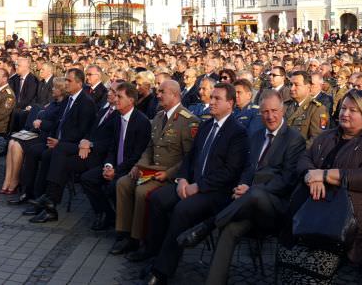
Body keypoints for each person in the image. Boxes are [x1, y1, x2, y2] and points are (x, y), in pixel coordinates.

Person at [137, 82, 249, 285]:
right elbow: (190, 157)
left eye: (217, 99)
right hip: (190, 184)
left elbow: (230, 172)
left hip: (215, 192)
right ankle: (155, 255)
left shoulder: (237, 132)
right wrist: (182, 180)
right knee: (156, 199)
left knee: (182, 210)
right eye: (212, 97)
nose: (211, 101)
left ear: (230, 103)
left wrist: (198, 186)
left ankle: (162, 271)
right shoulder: (206, 125)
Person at [190, 90, 306, 285]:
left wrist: (251, 188)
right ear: (259, 113)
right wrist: (243, 184)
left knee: (256, 193)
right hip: (247, 205)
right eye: (265, 112)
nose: (270, 116)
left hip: (274, 208)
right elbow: (247, 168)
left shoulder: (294, 139)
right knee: (229, 230)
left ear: (283, 110)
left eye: (274, 111)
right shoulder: (256, 135)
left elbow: (286, 180)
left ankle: (208, 225)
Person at [285, 88, 362, 267]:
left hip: (352, 211)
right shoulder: (328, 135)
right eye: (343, 108)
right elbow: (305, 159)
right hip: (318, 202)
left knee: (316, 256)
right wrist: (312, 175)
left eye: (352, 110)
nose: (345, 113)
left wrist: (325, 175)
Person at [109, 80, 199, 256]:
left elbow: (189, 157)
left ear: (174, 94)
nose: (157, 94)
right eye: (158, 91)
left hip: (168, 174)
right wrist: (138, 165)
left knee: (142, 192)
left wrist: (168, 173)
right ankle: (124, 233)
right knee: (123, 183)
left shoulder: (189, 121)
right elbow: (149, 147)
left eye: (161, 91)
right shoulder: (158, 117)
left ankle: (139, 240)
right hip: (149, 169)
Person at [18, 69, 98, 216]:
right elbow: (57, 122)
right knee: (33, 151)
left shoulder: (86, 103)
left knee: (50, 155)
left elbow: (82, 132)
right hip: (57, 140)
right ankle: (31, 194)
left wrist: (59, 142)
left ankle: (47, 199)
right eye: (65, 80)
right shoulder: (68, 100)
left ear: (79, 83)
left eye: (69, 81)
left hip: (71, 145)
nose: (66, 83)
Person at [80, 82, 152, 231]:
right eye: (116, 95)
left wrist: (117, 171)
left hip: (130, 168)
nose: (116, 99)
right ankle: (107, 214)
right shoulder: (118, 118)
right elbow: (113, 147)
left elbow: (137, 155)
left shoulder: (141, 122)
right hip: (116, 165)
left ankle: (124, 226)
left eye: (120, 96)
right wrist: (108, 166)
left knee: (113, 187)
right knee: (87, 178)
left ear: (131, 100)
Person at [0, 76, 67, 194]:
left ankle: (15, 180)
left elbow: (55, 124)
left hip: (45, 137)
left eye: (55, 88)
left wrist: (41, 123)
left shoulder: (63, 106)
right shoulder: (54, 102)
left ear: (61, 90)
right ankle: (8, 179)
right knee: (11, 142)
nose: (52, 89)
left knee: (16, 146)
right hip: (38, 133)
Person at [283, 70, 328, 146]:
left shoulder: (318, 109)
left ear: (308, 87)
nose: (291, 88)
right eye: (291, 84)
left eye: (296, 85)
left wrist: (295, 152)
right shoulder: (285, 105)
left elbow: (317, 138)